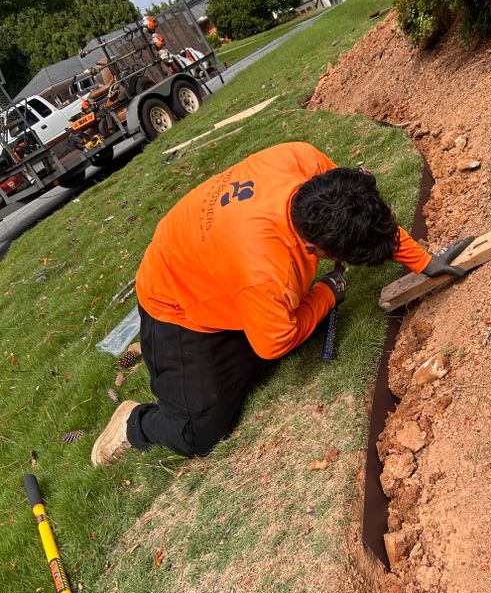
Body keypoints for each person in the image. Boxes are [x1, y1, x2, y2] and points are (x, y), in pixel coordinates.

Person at [91, 141, 471, 465]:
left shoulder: (305, 163)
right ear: (311, 248)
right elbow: (274, 342)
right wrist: (327, 292)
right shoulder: (266, 270)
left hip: (216, 261)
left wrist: (422, 260)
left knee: (265, 334)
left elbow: (363, 216)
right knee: (199, 432)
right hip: (177, 301)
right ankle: (134, 423)